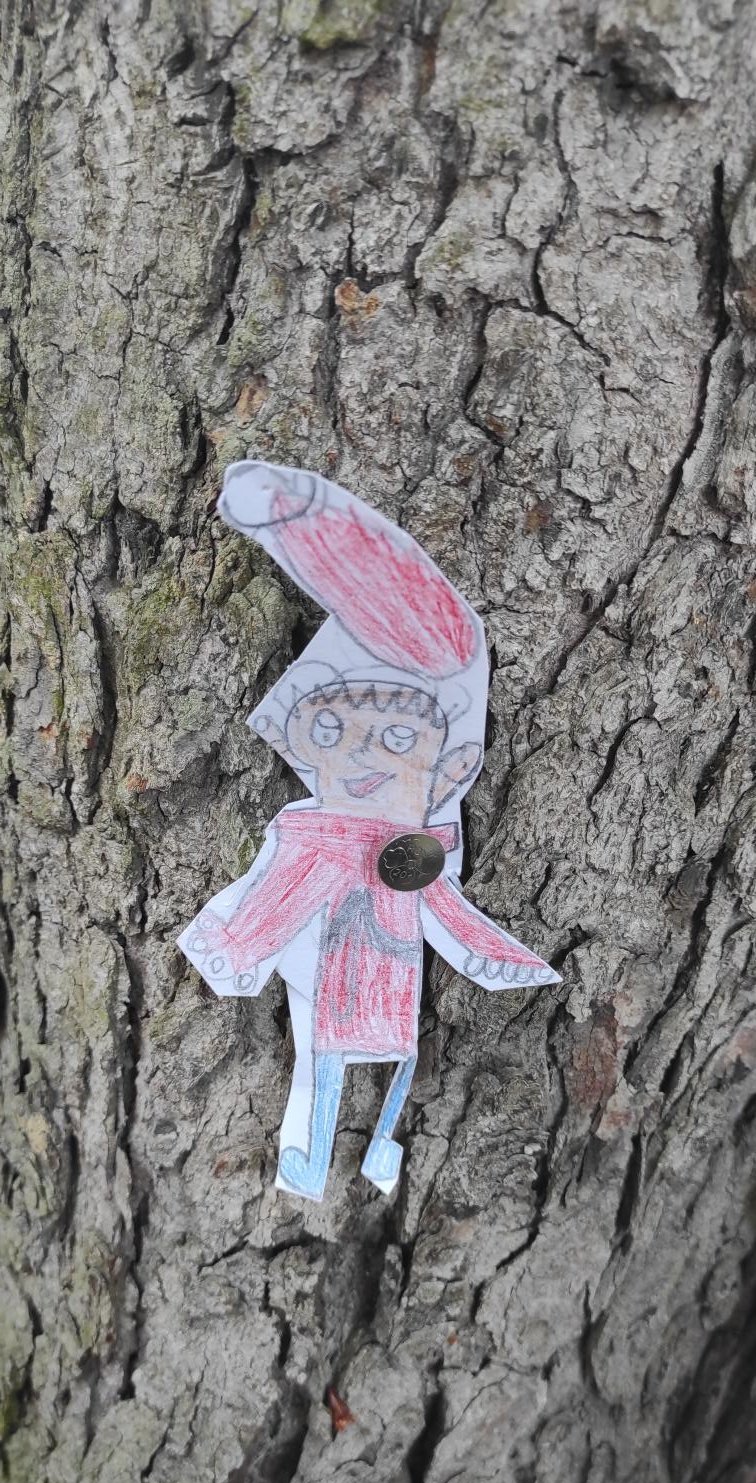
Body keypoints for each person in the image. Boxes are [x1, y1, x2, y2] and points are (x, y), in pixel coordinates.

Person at [179, 463, 560, 1201]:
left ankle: (378, 1147)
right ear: (310, 740)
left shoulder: (419, 839)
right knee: (319, 1048)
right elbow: (280, 894)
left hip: (381, 961)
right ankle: (312, 1153)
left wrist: (494, 958)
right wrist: (234, 947)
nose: (365, 757)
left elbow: (444, 911)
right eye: (338, 733)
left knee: (388, 1049)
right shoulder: (313, 831)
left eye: (398, 738)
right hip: (325, 957)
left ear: (447, 762)